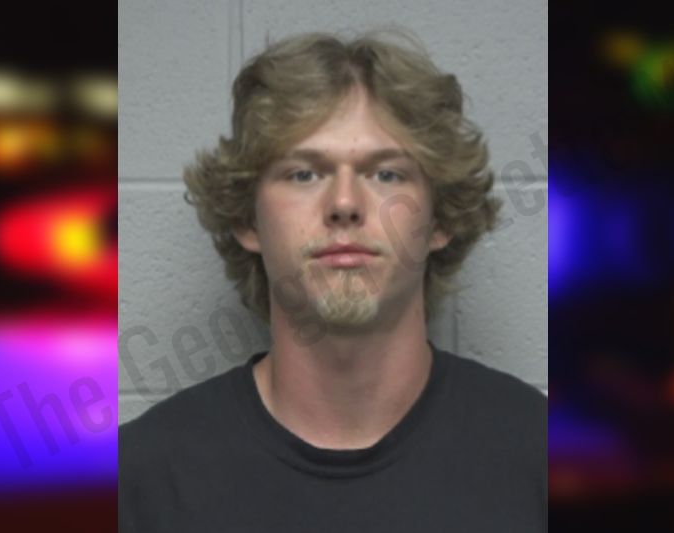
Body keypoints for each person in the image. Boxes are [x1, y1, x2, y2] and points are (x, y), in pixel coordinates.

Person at [119, 28, 546, 532]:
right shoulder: (141, 480)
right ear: (247, 220)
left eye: (387, 174)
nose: (344, 204)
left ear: (441, 220)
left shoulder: (543, 456)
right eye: (304, 173)